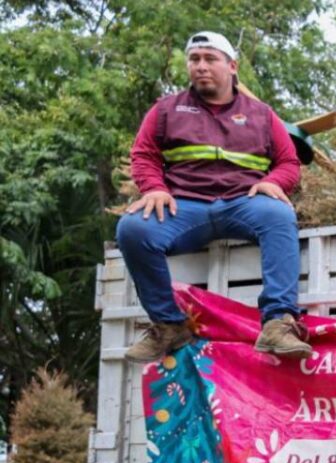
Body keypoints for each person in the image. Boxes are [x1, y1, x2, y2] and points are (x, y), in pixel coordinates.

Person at [116, 31, 310, 362]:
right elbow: (144, 154)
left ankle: (278, 323)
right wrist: (155, 188)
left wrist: (275, 181)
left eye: (210, 59)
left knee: (279, 215)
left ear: (232, 66)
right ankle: (169, 325)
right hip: (185, 207)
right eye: (194, 60)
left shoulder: (262, 114)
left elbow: (289, 161)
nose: (201, 66)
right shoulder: (166, 110)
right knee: (133, 229)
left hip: (243, 202)